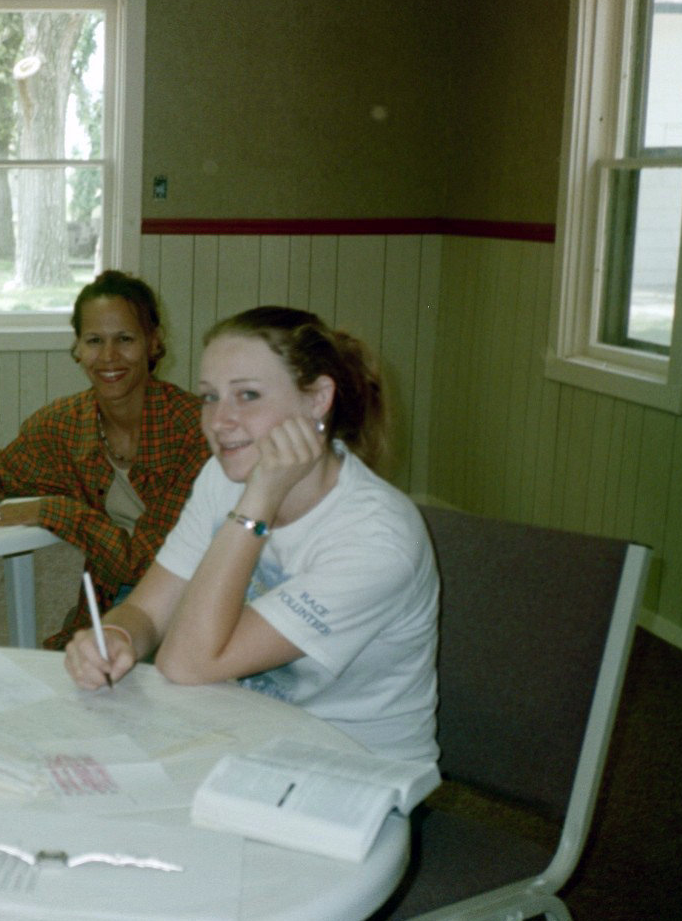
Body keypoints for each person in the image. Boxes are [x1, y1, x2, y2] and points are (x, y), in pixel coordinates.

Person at [63, 306, 439, 763]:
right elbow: (147, 610)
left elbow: (185, 664)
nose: (219, 421)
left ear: (318, 399)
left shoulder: (377, 539)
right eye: (209, 396)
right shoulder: (221, 477)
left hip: (355, 768)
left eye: (248, 395)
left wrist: (259, 500)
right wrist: (117, 635)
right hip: (243, 737)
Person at [0, 271, 209, 650]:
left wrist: (50, 511)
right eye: (94, 341)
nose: (108, 357)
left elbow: (141, 562)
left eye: (125, 339)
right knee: (63, 668)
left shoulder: (194, 431)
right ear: (77, 348)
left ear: (153, 342)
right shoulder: (66, 423)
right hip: (111, 596)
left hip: (199, 596)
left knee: (123, 674)